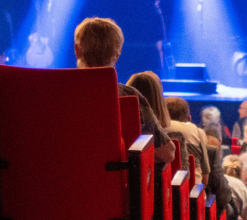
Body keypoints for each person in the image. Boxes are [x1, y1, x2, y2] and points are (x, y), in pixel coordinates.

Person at [73, 16, 174, 165]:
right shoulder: (130, 97)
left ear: (77, 51)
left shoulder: (53, 94)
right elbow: (168, 153)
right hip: (113, 185)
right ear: (118, 55)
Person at [165, 96, 212, 177]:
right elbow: (205, 178)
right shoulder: (198, 132)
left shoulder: (154, 128)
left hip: (161, 186)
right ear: (189, 119)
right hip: (192, 186)